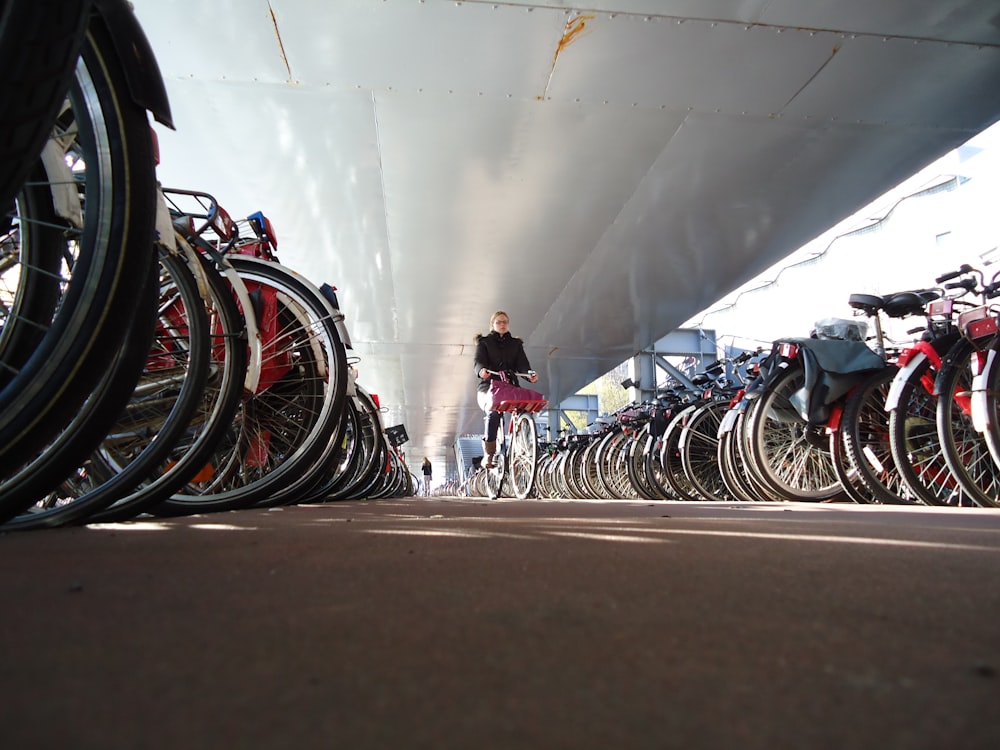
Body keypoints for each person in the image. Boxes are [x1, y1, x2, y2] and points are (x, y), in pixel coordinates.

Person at [473, 311, 539, 468]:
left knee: (525, 410)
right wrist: (482, 370)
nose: (502, 324)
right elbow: (478, 362)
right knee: (493, 412)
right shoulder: (484, 343)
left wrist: (529, 374)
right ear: (492, 325)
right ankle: (489, 454)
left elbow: (523, 364)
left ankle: (526, 445)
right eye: (498, 322)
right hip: (488, 387)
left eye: (505, 322)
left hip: (509, 388)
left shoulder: (516, 344)